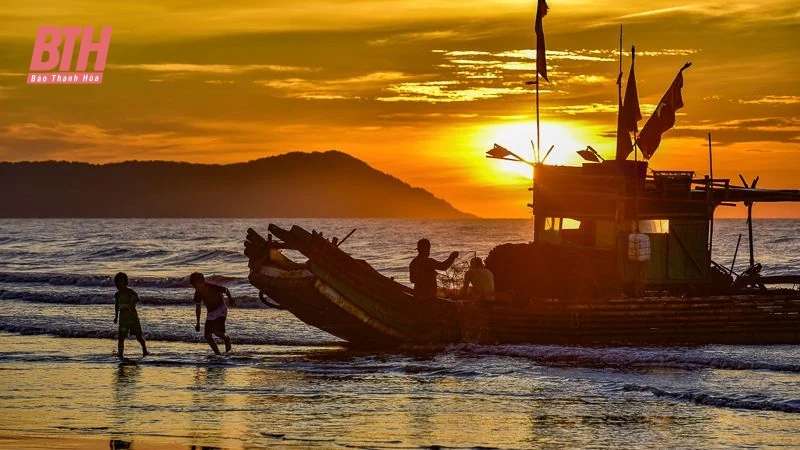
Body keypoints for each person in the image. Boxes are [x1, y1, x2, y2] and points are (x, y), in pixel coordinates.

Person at [190, 272, 233, 355]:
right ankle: (218, 354)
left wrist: (230, 300)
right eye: (193, 286)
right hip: (211, 313)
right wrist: (198, 323)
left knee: (217, 332)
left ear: (201, 282)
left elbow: (226, 290)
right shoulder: (197, 293)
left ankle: (227, 345)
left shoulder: (212, 287)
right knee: (207, 336)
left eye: (195, 285)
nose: (194, 287)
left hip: (221, 310)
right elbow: (198, 308)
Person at [113, 272, 149, 359]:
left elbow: (135, 300)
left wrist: (130, 307)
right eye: (116, 284)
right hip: (123, 320)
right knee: (121, 338)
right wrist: (116, 316)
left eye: (119, 283)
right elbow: (116, 306)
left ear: (126, 283)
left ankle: (144, 349)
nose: (118, 286)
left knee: (139, 337)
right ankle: (120, 353)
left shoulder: (130, 292)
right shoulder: (117, 295)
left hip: (133, 319)